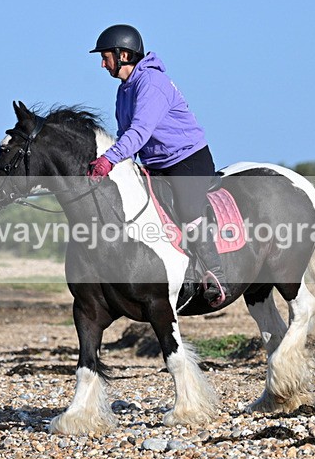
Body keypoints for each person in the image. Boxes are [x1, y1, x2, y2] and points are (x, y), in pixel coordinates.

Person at [87, 24, 229, 306]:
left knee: (188, 211)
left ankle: (217, 274)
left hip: (187, 159)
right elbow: (127, 136)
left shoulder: (151, 83)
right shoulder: (124, 91)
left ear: (123, 55)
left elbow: (138, 133)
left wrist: (108, 160)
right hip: (156, 164)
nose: (103, 64)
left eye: (106, 57)